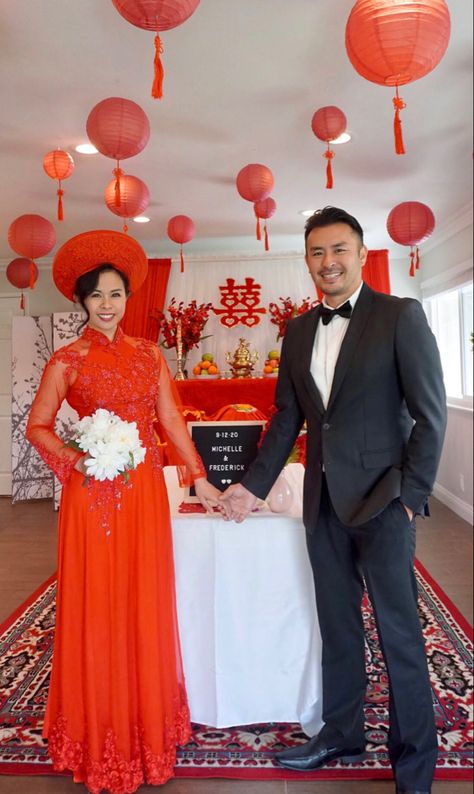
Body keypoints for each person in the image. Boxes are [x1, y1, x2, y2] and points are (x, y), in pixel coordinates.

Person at [219, 206, 447, 794]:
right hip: (322, 504)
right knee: (338, 627)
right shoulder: (296, 332)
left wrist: (410, 497)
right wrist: (250, 487)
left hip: (383, 503)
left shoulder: (400, 316)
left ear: (361, 253)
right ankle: (342, 732)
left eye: (339, 250)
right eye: (318, 253)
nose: (329, 262)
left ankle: (415, 765)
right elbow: (287, 419)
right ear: (308, 260)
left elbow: (430, 415)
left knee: (398, 633)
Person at [26, 229, 222, 794]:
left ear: (127, 298)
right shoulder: (68, 360)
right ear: (82, 302)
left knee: (142, 596)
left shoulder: (148, 354)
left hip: (140, 495)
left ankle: (146, 721)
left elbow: (171, 420)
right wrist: (74, 460)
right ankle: (97, 729)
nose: (108, 304)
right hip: (92, 496)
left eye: (116, 294)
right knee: (97, 598)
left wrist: (199, 479)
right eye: (97, 296)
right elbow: (37, 425)